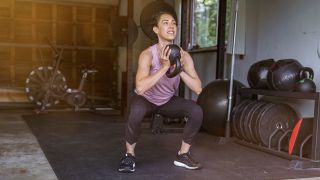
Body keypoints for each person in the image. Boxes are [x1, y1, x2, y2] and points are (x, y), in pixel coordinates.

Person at [118, 10, 203, 173]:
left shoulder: (184, 56)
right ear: (156, 30)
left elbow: (198, 88)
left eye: (173, 23)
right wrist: (164, 67)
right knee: (135, 112)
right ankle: (129, 155)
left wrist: (179, 68)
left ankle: (183, 155)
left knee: (196, 111)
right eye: (165, 23)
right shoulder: (148, 54)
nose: (171, 26)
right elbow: (141, 88)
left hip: (167, 101)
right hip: (145, 99)